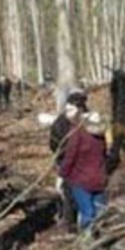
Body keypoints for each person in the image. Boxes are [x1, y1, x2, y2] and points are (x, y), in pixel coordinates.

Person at [61, 112, 109, 230]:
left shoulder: (90, 136)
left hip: (91, 181)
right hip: (88, 181)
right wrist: (63, 175)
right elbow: (70, 157)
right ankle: (90, 240)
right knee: (92, 212)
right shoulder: (83, 135)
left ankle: (95, 241)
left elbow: (70, 157)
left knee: (96, 213)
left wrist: (63, 174)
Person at [50, 90, 88, 230]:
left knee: (74, 191)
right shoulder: (63, 122)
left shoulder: (85, 120)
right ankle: (71, 221)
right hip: (69, 161)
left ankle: (74, 220)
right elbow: (54, 144)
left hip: (78, 162)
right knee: (69, 191)